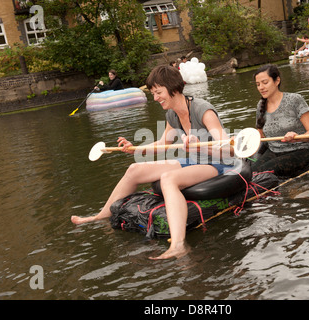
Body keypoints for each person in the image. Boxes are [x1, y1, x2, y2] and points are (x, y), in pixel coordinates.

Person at [71, 65, 235, 260]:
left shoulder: (203, 110)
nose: (155, 98)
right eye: (153, 94)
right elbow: (163, 143)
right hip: (192, 161)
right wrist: (135, 148)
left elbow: (229, 150)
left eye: (158, 93)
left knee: (168, 179)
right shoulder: (172, 114)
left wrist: (200, 146)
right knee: (134, 169)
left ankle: (178, 245)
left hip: (216, 164)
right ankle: (101, 216)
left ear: (173, 88)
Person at [251, 64, 309, 177]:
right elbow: (260, 135)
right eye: (258, 84)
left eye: (265, 83)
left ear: (277, 81)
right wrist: (243, 142)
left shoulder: (295, 99)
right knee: (250, 174)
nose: (261, 87)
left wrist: (296, 138)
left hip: (299, 150)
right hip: (274, 151)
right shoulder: (260, 105)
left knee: (262, 173)